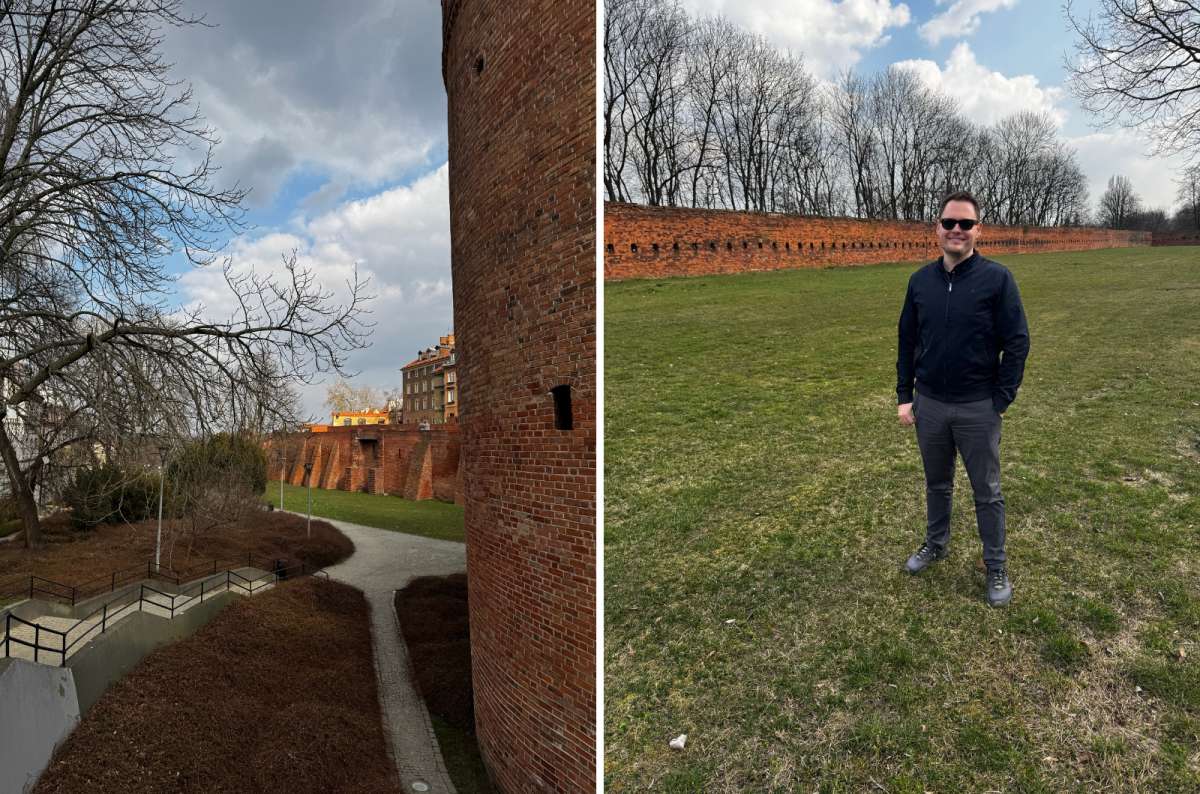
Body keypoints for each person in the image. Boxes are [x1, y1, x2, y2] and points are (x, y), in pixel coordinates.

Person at [896, 191, 1030, 607]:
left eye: (965, 224)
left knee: (986, 491)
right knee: (937, 482)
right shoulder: (920, 281)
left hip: (978, 407)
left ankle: (996, 566)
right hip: (930, 404)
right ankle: (936, 543)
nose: (957, 230)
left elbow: (1018, 341)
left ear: (978, 230)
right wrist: (906, 395)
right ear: (936, 228)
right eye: (949, 222)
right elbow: (906, 341)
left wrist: (1000, 399)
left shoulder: (997, 278)